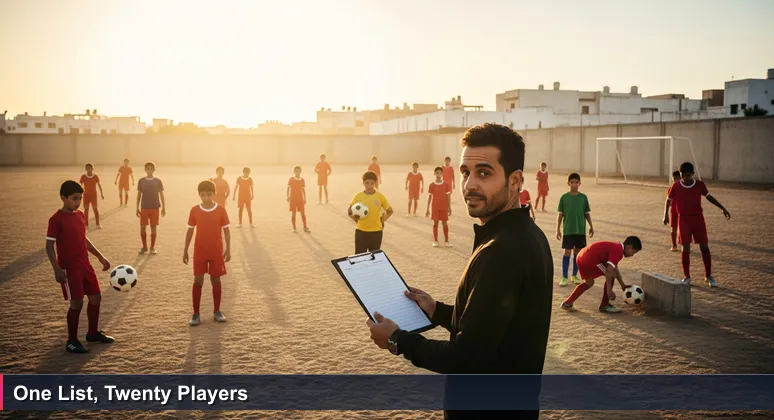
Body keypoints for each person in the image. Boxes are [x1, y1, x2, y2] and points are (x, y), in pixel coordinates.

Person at [366, 123, 553, 420]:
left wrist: (398, 340)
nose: (469, 185)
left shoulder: (502, 250)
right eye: (466, 173)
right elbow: (492, 325)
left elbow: (466, 358)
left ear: (515, 180)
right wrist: (436, 310)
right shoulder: (527, 233)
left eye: (484, 173)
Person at [46, 180, 114, 353]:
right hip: (69, 268)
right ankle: (72, 341)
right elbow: (49, 246)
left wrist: (100, 256)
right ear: (63, 198)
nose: (78, 202)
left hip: (85, 264)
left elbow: (83, 239)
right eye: (74, 198)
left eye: (80, 198)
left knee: (96, 298)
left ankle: (92, 333)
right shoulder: (56, 219)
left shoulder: (80, 215)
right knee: (76, 304)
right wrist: (57, 269)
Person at [663, 161, 730, 287]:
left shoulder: (699, 185)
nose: (685, 178)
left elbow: (709, 197)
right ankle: (687, 277)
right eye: (683, 175)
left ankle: (708, 276)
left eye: (688, 175)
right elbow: (668, 199)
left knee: (704, 246)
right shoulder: (676, 186)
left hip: (698, 219)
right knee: (685, 248)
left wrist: (722, 208)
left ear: (693, 174)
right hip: (683, 219)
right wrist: (665, 214)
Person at [183, 180, 231, 326]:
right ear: (199, 195)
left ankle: (217, 311)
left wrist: (228, 248)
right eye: (203, 195)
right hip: (200, 252)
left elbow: (227, 231)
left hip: (216, 252)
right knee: (198, 281)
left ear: (214, 194)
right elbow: (190, 231)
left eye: (209, 195)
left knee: (216, 280)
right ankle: (196, 314)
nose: (206, 198)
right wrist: (185, 250)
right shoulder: (194, 210)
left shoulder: (221, 210)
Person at [561, 236, 642, 313]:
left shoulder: (616, 247)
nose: (632, 255)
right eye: (633, 252)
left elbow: (615, 268)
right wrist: (609, 291)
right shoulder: (618, 251)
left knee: (589, 283)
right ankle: (604, 305)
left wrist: (622, 285)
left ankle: (567, 303)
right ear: (629, 247)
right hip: (590, 259)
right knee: (611, 276)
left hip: (581, 256)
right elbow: (609, 271)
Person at [556, 173, 594, 287]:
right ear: (568, 183)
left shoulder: (583, 197)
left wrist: (591, 226)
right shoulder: (564, 197)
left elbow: (586, 213)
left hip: (580, 231)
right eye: (572, 182)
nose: (574, 184)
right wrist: (558, 229)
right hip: (568, 230)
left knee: (577, 254)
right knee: (567, 252)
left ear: (580, 183)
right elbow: (560, 214)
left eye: (576, 182)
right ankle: (564, 277)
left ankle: (574, 275)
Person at [348, 171, 393, 254]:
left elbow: (390, 211)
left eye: (372, 183)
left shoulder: (380, 197)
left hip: (376, 232)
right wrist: (354, 218)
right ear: (363, 183)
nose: (369, 186)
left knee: (374, 259)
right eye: (367, 183)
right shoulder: (358, 196)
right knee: (360, 258)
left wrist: (382, 220)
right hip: (361, 231)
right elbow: (350, 210)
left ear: (376, 183)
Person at [136, 161, 165, 255]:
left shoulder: (158, 181)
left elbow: (161, 194)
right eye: (147, 168)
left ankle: (152, 247)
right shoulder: (141, 181)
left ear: (154, 170)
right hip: (144, 207)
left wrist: (164, 207)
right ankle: (144, 247)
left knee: (153, 227)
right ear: (145, 170)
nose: (149, 170)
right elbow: (139, 194)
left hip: (155, 207)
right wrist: (137, 207)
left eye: (151, 168)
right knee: (142, 228)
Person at [426, 167, 452, 247]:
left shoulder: (446, 184)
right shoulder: (432, 185)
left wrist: (449, 207)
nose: (438, 175)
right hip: (435, 207)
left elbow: (448, 197)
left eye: (440, 173)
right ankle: (435, 241)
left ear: (442, 174)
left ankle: (447, 241)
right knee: (435, 223)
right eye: (437, 173)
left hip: (443, 207)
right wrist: (427, 208)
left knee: (445, 223)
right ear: (434, 174)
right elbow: (430, 197)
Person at [79, 163, 104, 228]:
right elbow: (80, 186)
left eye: (90, 168)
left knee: (95, 209)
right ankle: (86, 224)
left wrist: (102, 193)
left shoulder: (95, 176)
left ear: (92, 168)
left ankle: (97, 224)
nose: (89, 169)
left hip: (93, 195)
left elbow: (99, 185)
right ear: (86, 169)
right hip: (86, 195)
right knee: (86, 209)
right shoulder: (83, 177)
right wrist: (79, 194)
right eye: (88, 168)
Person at [288, 165, 310, 233]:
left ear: (300, 172)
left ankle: (305, 227)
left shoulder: (302, 180)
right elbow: (288, 188)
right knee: (293, 213)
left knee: (303, 213)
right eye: (296, 171)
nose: (297, 172)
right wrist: (288, 196)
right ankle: (294, 228)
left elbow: (303, 190)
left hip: (300, 199)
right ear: (294, 171)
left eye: (298, 171)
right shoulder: (291, 179)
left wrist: (305, 198)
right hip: (293, 199)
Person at [667, 170, 681, 252]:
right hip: (674, 211)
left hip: (683, 211)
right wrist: (665, 214)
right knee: (674, 228)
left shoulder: (683, 188)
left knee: (683, 229)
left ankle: (685, 244)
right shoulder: (671, 189)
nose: (676, 180)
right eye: (674, 178)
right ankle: (674, 245)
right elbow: (668, 201)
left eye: (678, 178)